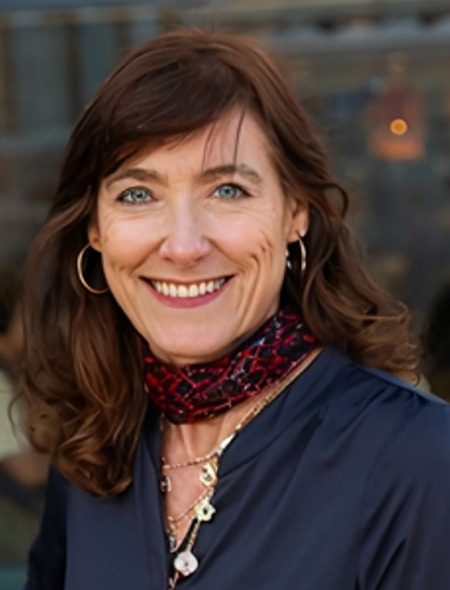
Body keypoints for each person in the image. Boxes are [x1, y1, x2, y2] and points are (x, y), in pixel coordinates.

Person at [22, 29, 450, 589]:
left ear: (296, 212)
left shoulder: (419, 458)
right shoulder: (94, 446)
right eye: (137, 194)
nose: (182, 246)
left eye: (227, 190)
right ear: (95, 231)